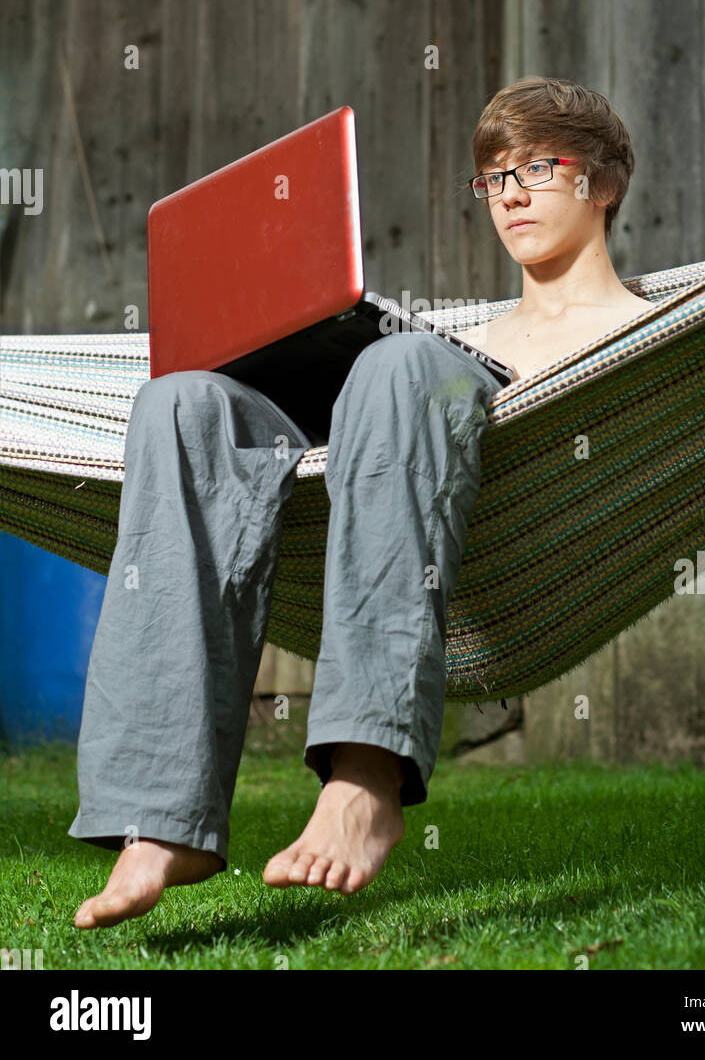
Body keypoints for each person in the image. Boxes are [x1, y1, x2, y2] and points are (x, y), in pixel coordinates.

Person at [71, 75, 651, 929]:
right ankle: (160, 819)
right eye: (493, 177)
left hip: (488, 511)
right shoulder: (459, 339)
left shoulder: (649, 337)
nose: (511, 194)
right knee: (182, 402)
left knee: (402, 363)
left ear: (601, 183)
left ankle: (365, 776)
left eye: (541, 167)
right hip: (373, 455)